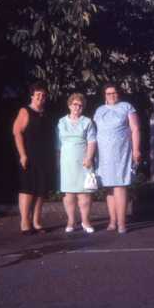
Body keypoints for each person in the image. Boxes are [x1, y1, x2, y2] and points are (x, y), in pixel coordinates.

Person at [93, 83, 141, 234]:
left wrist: (137, 150)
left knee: (120, 185)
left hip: (121, 152)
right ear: (104, 95)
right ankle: (112, 221)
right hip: (103, 154)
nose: (111, 95)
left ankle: (121, 223)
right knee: (109, 187)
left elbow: (135, 129)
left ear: (118, 94)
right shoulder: (99, 110)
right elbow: (94, 132)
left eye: (114, 93)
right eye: (108, 93)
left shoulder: (126, 107)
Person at [12, 82, 55, 235]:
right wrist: (23, 155)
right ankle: (25, 222)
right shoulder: (25, 111)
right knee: (28, 189)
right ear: (32, 95)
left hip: (45, 156)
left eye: (43, 95)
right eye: (38, 95)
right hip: (29, 156)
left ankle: (37, 221)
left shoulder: (46, 113)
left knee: (41, 190)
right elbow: (17, 133)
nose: (41, 97)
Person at [57, 93, 97, 233]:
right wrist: (58, 160)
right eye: (75, 104)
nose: (77, 107)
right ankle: (71, 221)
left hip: (83, 160)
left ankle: (85, 221)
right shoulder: (61, 122)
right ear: (69, 105)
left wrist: (89, 157)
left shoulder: (87, 122)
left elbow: (92, 141)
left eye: (80, 105)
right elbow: (58, 143)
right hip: (67, 161)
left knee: (84, 193)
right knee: (69, 194)